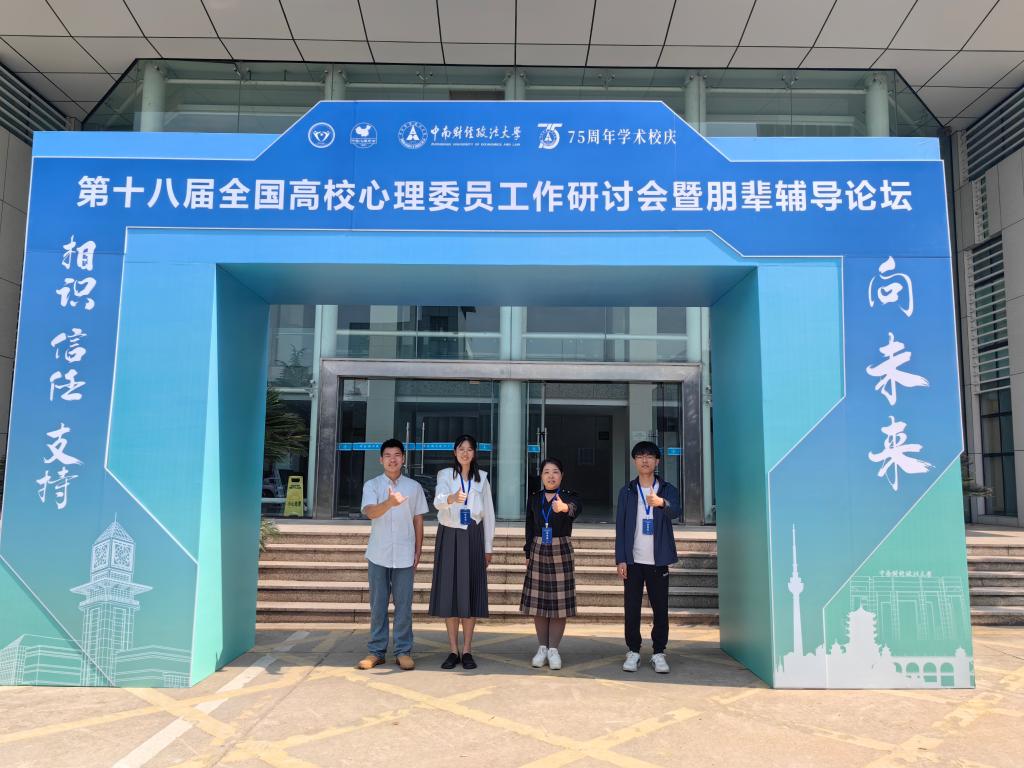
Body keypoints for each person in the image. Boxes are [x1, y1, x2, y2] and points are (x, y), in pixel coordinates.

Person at [356, 439, 428, 671]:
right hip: (379, 553)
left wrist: (418, 549)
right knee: (378, 605)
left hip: (405, 554)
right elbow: (370, 512)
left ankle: (403, 651)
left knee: (404, 606)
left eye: (397, 455)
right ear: (381, 459)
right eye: (387, 455)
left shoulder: (413, 487)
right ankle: (376, 651)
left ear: (403, 459)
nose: (392, 459)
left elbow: (418, 519)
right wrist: (389, 502)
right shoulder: (372, 485)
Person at [430, 434, 495, 670]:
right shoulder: (445, 475)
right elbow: (438, 501)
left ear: (474, 453)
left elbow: (489, 514)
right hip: (449, 534)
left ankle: (467, 650)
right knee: (450, 591)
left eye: (469, 449)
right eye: (461, 449)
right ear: (454, 452)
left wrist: (488, 547)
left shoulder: (482, 478)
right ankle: (452, 650)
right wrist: (451, 498)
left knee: (470, 591)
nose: (465, 453)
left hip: (473, 535)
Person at [614, 441, 680, 674]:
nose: (645, 460)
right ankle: (633, 651)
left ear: (657, 461)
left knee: (660, 609)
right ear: (634, 461)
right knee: (631, 608)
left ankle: (659, 652)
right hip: (633, 561)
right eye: (640, 456)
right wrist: (621, 558)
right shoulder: (627, 491)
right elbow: (620, 526)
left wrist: (661, 503)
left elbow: (676, 511)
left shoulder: (667, 489)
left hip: (658, 560)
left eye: (650, 456)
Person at [519, 457, 582, 671]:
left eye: (555, 472)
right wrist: (528, 552)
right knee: (538, 602)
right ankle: (542, 648)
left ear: (561, 475)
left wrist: (564, 508)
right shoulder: (534, 498)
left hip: (561, 548)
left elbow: (576, 508)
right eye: (546, 472)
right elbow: (529, 526)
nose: (551, 476)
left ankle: (554, 649)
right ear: (541, 476)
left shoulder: (569, 496)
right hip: (538, 547)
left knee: (559, 603)